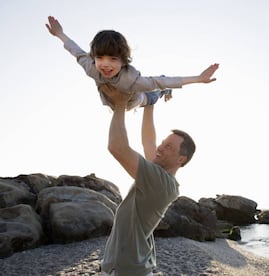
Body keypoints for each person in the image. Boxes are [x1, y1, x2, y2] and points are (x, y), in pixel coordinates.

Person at [98, 72, 214, 275]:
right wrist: (151, 102)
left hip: (128, 271)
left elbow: (117, 147)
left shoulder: (160, 182)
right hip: (131, 267)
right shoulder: (161, 174)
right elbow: (149, 142)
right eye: (163, 142)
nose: (160, 147)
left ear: (181, 160)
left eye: (168, 147)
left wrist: (119, 104)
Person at [45, 16, 219, 110]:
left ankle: (164, 93)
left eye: (113, 59)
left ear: (123, 61)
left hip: (136, 100)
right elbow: (76, 51)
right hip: (111, 100)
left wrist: (197, 78)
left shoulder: (132, 79)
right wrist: (60, 33)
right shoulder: (91, 67)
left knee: (153, 95)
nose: (105, 65)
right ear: (94, 57)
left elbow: (159, 81)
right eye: (100, 58)